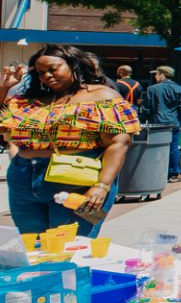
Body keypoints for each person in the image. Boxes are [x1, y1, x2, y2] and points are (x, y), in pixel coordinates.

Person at [0, 45, 140, 234]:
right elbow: (4, 125)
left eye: (53, 69)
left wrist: (102, 186)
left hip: (75, 179)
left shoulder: (100, 96)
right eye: (41, 73)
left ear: (73, 65)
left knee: (68, 249)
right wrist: (4, 88)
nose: (47, 76)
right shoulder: (30, 99)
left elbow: (119, 143)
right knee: (31, 249)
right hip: (23, 178)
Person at [141, 65, 181, 182]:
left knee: (155, 148)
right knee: (173, 148)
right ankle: (174, 173)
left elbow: (146, 108)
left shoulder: (152, 89)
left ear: (163, 74)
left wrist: (141, 122)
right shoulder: (180, 89)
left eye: (157, 74)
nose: (156, 76)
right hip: (174, 123)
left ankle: (155, 172)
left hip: (157, 123)